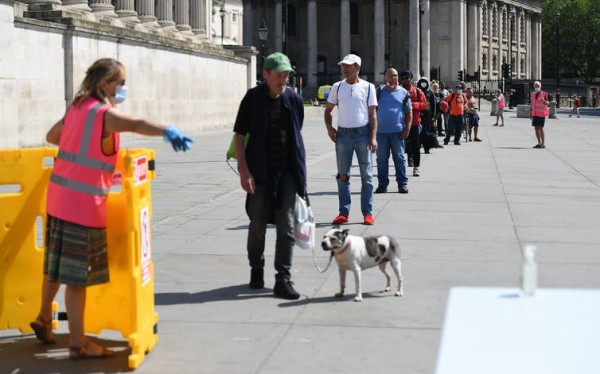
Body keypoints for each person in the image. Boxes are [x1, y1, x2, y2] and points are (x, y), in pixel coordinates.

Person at [30, 58, 193, 358]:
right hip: (83, 206)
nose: (123, 88)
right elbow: (135, 124)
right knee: (77, 279)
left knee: (55, 267)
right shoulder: (103, 114)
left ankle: (43, 317)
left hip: (58, 198)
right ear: (105, 84)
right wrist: (167, 130)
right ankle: (78, 344)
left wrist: (80, 150)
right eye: (120, 83)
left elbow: (52, 137)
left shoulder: (77, 108)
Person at [233, 52, 307, 300]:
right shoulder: (253, 99)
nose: (284, 79)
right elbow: (239, 136)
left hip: (286, 173)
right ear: (265, 74)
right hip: (259, 172)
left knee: (286, 227)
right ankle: (256, 268)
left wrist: (299, 178)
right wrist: (244, 171)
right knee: (257, 227)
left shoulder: (294, 99)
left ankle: (283, 279)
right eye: (279, 75)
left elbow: (297, 134)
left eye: (287, 74)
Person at [324, 54, 378, 225]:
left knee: (367, 176)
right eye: (343, 65)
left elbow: (372, 114)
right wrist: (330, 128)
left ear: (358, 67)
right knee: (343, 176)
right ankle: (343, 213)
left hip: (363, 134)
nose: (345, 68)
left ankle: (367, 213)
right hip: (343, 135)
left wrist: (373, 137)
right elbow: (328, 110)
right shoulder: (337, 87)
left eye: (348, 66)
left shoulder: (368, 87)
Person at [375, 67, 412, 194]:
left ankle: (402, 184)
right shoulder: (378, 91)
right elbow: (372, 111)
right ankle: (382, 185)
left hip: (398, 132)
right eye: (391, 75)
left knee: (400, 158)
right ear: (385, 77)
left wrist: (407, 128)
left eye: (396, 75)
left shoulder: (404, 93)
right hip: (381, 133)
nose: (394, 78)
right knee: (381, 159)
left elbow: (408, 112)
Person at [400, 70, 427, 177]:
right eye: (403, 78)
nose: (405, 80)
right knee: (400, 147)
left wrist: (411, 105)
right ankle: (401, 167)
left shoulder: (417, 91)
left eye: (407, 78)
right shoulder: (398, 90)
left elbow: (424, 104)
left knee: (416, 146)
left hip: (414, 123)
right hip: (401, 123)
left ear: (411, 79)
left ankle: (416, 167)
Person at [530, 80, 550, 148]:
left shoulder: (544, 94)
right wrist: (530, 113)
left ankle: (543, 143)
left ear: (540, 87)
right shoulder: (533, 94)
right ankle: (539, 143)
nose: (536, 87)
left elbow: (548, 103)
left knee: (540, 128)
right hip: (535, 114)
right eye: (535, 86)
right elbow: (532, 104)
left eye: (538, 86)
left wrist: (544, 101)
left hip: (541, 114)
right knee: (536, 128)